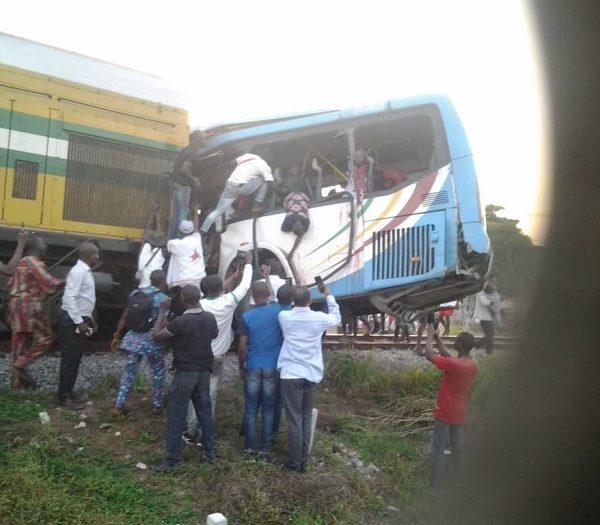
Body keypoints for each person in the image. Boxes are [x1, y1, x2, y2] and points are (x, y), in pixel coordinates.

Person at [182, 251, 254, 445]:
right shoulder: (228, 303)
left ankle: (191, 432)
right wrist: (248, 265)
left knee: (194, 394)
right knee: (210, 395)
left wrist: (234, 275)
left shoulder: (198, 306)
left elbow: (220, 287)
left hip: (196, 358)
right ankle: (206, 434)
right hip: (216, 358)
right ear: (220, 289)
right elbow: (245, 286)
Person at [153, 286, 218, 472]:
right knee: (205, 414)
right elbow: (214, 334)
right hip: (204, 373)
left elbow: (157, 335)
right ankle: (210, 453)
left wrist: (162, 312)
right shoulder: (209, 318)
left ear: (183, 299)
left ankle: (172, 460)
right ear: (199, 298)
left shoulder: (180, 322)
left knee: (176, 416)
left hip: (184, 374)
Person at [277, 284, 341, 472]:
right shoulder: (318, 318)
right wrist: (328, 295)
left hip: (290, 374)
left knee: (294, 419)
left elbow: (280, 304)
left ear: (292, 302)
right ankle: (303, 460)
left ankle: (295, 462)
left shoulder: (284, 317)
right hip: (311, 374)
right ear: (311, 301)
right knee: (305, 417)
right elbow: (337, 318)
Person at [423, 323, 477, 487]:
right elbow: (450, 358)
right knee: (457, 447)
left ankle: (437, 483)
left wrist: (430, 336)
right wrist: (439, 340)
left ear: (460, 345)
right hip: (459, 412)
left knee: (439, 447)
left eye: (457, 340)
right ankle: (458, 480)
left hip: (445, 410)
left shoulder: (454, 365)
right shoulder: (471, 363)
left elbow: (429, 355)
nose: (454, 342)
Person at [111, 269, 169, 416]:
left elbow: (125, 315)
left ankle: (119, 404)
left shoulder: (136, 293)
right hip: (152, 340)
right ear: (162, 281)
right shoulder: (164, 298)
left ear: (150, 279)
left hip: (133, 339)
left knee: (129, 372)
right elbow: (163, 323)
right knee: (158, 371)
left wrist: (117, 335)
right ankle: (156, 405)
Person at [7, 235, 62, 389]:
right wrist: (65, 281)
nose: (46, 246)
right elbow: (49, 282)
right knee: (46, 337)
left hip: (16, 306)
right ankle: (20, 364)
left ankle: (17, 384)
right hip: (29, 306)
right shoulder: (33, 262)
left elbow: (11, 283)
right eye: (43, 243)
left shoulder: (21, 263)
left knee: (20, 343)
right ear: (35, 247)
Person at [238, 281, 284, 460]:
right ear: (268, 295)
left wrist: (241, 366)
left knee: (250, 410)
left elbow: (242, 347)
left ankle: (249, 450)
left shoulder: (247, 316)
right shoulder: (278, 311)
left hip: (253, 366)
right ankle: (265, 450)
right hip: (272, 366)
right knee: (269, 409)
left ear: (252, 294)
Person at [57, 242, 100, 410]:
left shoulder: (85, 271)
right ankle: (62, 397)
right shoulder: (78, 272)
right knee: (69, 359)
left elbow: (83, 298)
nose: (98, 257)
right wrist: (79, 322)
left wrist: (89, 318)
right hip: (71, 321)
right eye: (96, 254)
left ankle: (69, 391)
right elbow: (69, 299)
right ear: (90, 256)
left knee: (75, 357)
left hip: (79, 319)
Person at [200, 151, 274, 234]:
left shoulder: (248, 156)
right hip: (242, 187)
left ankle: (203, 230)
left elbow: (232, 163)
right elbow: (269, 182)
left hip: (230, 184)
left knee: (218, 211)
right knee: (264, 179)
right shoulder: (264, 165)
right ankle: (257, 204)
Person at [168, 130, 207, 239]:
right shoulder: (194, 151)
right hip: (183, 185)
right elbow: (184, 169)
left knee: (176, 214)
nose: (205, 141)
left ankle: (172, 238)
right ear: (198, 139)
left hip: (174, 182)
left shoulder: (186, 148)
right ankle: (181, 237)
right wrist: (194, 180)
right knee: (182, 213)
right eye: (204, 138)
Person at [166, 209, 205, 316]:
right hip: (199, 280)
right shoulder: (197, 239)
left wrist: (170, 224)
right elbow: (196, 228)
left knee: (181, 311)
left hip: (184, 282)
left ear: (180, 232)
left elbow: (167, 242)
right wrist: (195, 213)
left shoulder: (176, 244)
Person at [137, 203, 166, 289]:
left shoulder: (144, 249)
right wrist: (158, 220)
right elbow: (160, 237)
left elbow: (147, 228)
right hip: (154, 291)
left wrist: (153, 212)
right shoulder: (162, 253)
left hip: (141, 288)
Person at [474, 283, 501, 354]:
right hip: (483, 317)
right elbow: (485, 302)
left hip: (486, 317)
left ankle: (488, 351)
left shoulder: (482, 293)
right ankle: (476, 345)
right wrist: (493, 303)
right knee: (490, 335)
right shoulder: (481, 293)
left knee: (490, 335)